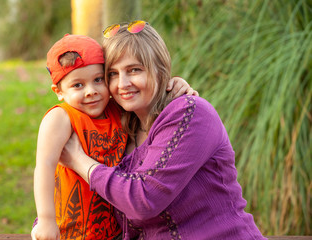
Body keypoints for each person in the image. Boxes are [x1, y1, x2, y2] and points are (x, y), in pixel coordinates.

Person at [59, 21, 266, 239]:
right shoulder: (120, 128)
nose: (123, 83)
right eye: (112, 74)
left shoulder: (190, 113)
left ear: (160, 70)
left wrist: (78, 160)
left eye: (134, 70)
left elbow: (143, 200)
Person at [31, 33, 196, 240]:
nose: (91, 91)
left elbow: (142, 95)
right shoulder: (61, 118)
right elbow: (44, 167)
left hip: (114, 232)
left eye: (98, 80)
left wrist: (173, 83)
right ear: (58, 91)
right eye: (78, 85)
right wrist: (46, 219)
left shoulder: (115, 109)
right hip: (72, 231)